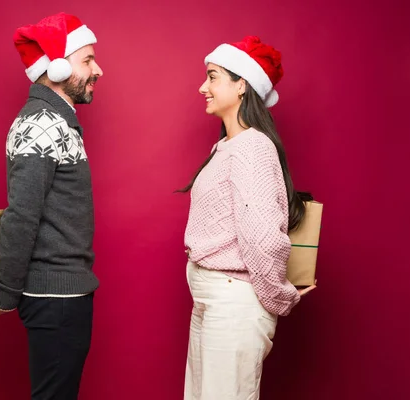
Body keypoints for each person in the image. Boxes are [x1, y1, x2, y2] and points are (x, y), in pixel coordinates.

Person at [0, 12, 104, 400]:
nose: (99, 70)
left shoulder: (56, 122)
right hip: (54, 299)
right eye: (88, 60)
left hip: (62, 295)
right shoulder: (43, 124)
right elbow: (22, 215)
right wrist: (5, 295)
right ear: (58, 68)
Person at [180, 36, 316, 399]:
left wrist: (282, 297)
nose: (202, 87)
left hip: (233, 304)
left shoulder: (253, 146)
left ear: (242, 84)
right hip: (212, 298)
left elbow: (263, 238)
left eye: (212, 77)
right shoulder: (226, 145)